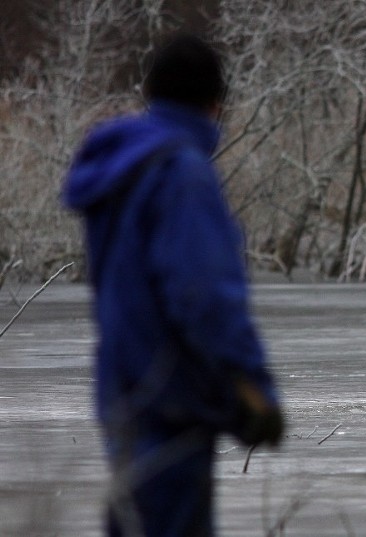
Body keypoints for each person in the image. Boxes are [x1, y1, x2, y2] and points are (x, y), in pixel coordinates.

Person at [62, 34, 283, 536]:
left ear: (151, 93)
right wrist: (254, 390)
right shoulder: (182, 173)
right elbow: (203, 296)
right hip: (172, 394)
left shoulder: (123, 168)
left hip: (122, 384)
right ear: (214, 103)